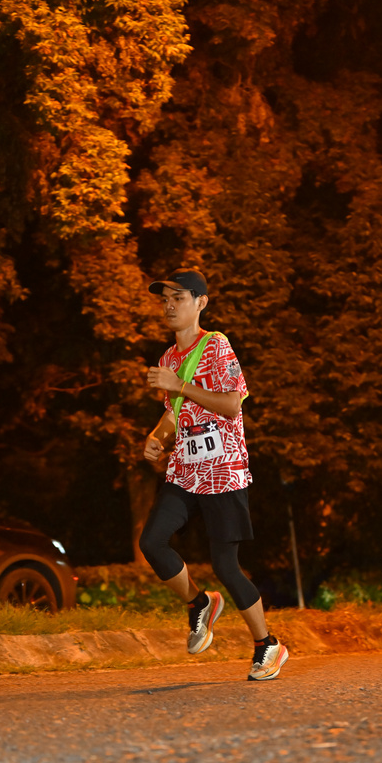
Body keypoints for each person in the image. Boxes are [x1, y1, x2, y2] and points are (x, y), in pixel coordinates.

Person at [139, 268, 288, 681]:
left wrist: (179, 385)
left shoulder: (217, 346)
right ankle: (198, 602)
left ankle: (267, 644)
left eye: (178, 298)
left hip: (223, 468)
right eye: (165, 299)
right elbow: (174, 414)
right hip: (185, 469)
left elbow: (231, 405)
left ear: (200, 302)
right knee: (152, 541)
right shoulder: (168, 359)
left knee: (226, 565)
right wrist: (157, 437)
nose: (169, 306)